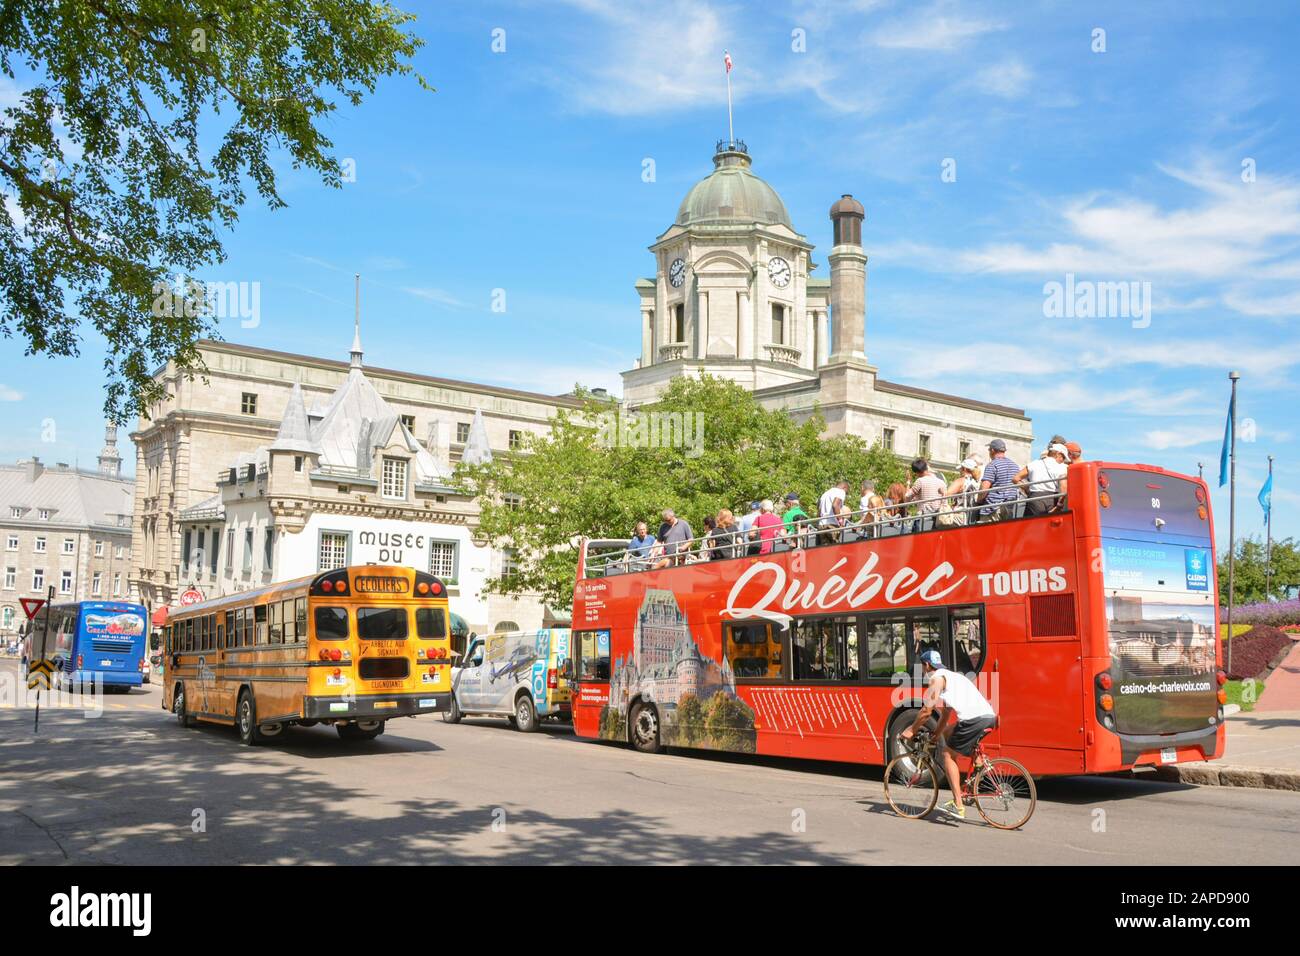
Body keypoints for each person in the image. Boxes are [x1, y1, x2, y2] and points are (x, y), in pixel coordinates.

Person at [901, 649, 997, 821]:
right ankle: (978, 764)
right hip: (988, 717)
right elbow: (945, 713)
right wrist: (937, 734)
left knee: (947, 754)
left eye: (923, 667)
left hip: (973, 720)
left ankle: (958, 805)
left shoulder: (935, 679)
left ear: (927, 665)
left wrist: (911, 730)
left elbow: (926, 711)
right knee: (947, 732)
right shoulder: (953, 676)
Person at [1016, 443, 1069, 514]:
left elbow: (1015, 479)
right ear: (1058, 454)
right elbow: (1063, 486)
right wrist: (1059, 505)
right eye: (1063, 457)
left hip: (1034, 499)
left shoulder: (1033, 464)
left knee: (1031, 524)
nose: (1063, 460)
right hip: (1052, 500)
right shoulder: (1062, 467)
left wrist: (1027, 489)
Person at [976, 438, 1020, 522]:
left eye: (989, 450)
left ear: (992, 450)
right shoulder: (1015, 466)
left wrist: (978, 501)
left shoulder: (992, 465)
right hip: (1009, 508)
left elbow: (984, 488)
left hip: (992, 509)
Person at [903, 458, 946, 532]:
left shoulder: (920, 481)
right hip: (938, 517)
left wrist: (908, 482)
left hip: (923, 517)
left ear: (917, 472)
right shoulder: (941, 482)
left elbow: (907, 497)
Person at [944, 458, 981, 526]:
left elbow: (946, 494)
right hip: (971, 515)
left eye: (960, 469)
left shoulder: (961, 481)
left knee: (940, 520)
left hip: (959, 515)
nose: (960, 471)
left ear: (964, 469)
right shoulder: (976, 482)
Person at [817, 480, 850, 546]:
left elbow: (819, 511)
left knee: (825, 550)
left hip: (821, 525)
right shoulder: (840, 492)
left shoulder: (825, 494)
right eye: (846, 492)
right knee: (834, 548)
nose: (845, 494)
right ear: (845, 487)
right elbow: (835, 505)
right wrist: (840, 521)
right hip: (832, 525)